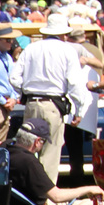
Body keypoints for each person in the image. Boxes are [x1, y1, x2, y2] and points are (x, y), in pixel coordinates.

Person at [10, 13, 87, 181]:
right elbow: (75, 83)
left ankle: (29, 193)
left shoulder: (31, 48)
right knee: (49, 155)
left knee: (28, 151)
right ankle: (46, 198)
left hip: (31, 104)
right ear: (64, 34)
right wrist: (79, 109)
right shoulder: (68, 50)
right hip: (53, 105)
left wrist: (24, 92)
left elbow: (14, 78)